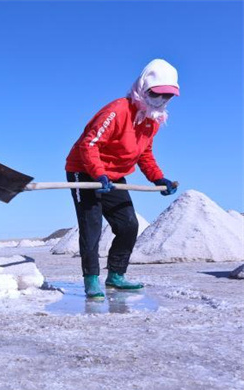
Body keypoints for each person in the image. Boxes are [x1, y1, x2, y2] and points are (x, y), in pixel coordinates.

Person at [65, 59, 179, 299]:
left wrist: (159, 179)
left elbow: (144, 154)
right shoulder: (118, 110)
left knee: (128, 225)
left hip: (113, 176)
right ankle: (91, 279)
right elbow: (89, 144)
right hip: (84, 171)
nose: (161, 101)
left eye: (167, 97)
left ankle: (116, 275)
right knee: (91, 225)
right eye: (156, 94)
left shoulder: (152, 121)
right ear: (143, 88)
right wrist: (98, 173)